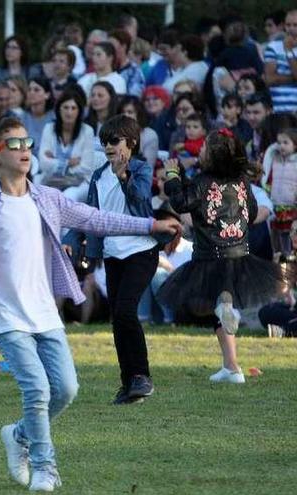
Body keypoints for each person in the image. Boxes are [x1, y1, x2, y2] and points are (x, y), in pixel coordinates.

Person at [0, 117, 179, 491]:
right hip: (5, 314)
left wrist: (150, 226)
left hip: (45, 312)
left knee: (66, 389)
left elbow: (97, 219)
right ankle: (46, 468)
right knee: (37, 389)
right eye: (14, 145)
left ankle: (18, 436)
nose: (24, 150)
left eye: (26, 142)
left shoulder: (47, 198)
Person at [158, 129, 290, 383]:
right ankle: (231, 367)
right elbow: (250, 213)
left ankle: (231, 357)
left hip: (210, 256)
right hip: (239, 254)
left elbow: (181, 202)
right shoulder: (240, 181)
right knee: (221, 307)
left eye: (205, 147)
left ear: (214, 155)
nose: (201, 150)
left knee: (214, 307)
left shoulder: (203, 181)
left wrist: (173, 175)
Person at [64, 115, 166, 404]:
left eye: (114, 140)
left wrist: (124, 178)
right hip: (112, 253)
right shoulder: (98, 175)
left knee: (124, 312)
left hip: (141, 251)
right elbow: (91, 214)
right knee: (117, 318)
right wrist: (71, 239)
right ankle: (128, 383)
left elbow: (141, 205)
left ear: (131, 143)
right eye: (104, 141)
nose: (108, 145)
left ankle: (141, 377)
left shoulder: (141, 169)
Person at [38, 89, 96, 201]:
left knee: (69, 196)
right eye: (65, 107)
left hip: (79, 183)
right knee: (38, 193)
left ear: (79, 111)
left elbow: (86, 167)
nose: (69, 112)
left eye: (73, 108)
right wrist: (68, 163)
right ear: (59, 109)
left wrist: (55, 161)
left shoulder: (87, 131)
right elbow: (43, 163)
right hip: (51, 180)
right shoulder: (49, 128)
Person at [262, 128, 297, 256]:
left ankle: (290, 261)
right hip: (276, 207)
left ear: (295, 144)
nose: (281, 145)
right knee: (276, 238)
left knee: (289, 237)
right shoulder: (274, 160)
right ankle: (278, 262)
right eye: (279, 142)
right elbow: (268, 180)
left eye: (285, 142)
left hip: (292, 208)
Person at [263, 9, 297, 113]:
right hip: (279, 108)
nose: (291, 29)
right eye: (288, 25)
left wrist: (289, 52)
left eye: (295, 25)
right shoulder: (273, 48)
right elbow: (270, 79)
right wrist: (293, 78)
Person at [117, 95, 160, 167]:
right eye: (122, 112)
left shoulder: (149, 135)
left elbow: (148, 166)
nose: (125, 115)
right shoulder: (114, 132)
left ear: (139, 115)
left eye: (130, 112)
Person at [23, 77, 55, 158]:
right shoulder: (22, 118)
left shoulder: (55, 118)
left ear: (47, 95)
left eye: (36, 90)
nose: (31, 93)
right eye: (29, 90)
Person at [110, 29, 145, 97]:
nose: (108, 49)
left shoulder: (134, 72)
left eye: (112, 46)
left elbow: (134, 97)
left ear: (123, 47)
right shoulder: (107, 68)